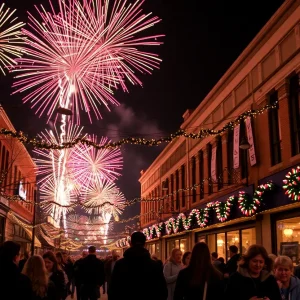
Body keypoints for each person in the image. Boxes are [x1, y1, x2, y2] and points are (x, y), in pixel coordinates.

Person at [108, 231, 168, 300]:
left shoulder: (120, 264)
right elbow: (162, 290)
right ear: (144, 243)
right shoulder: (154, 265)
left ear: (130, 243)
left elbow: (113, 288)